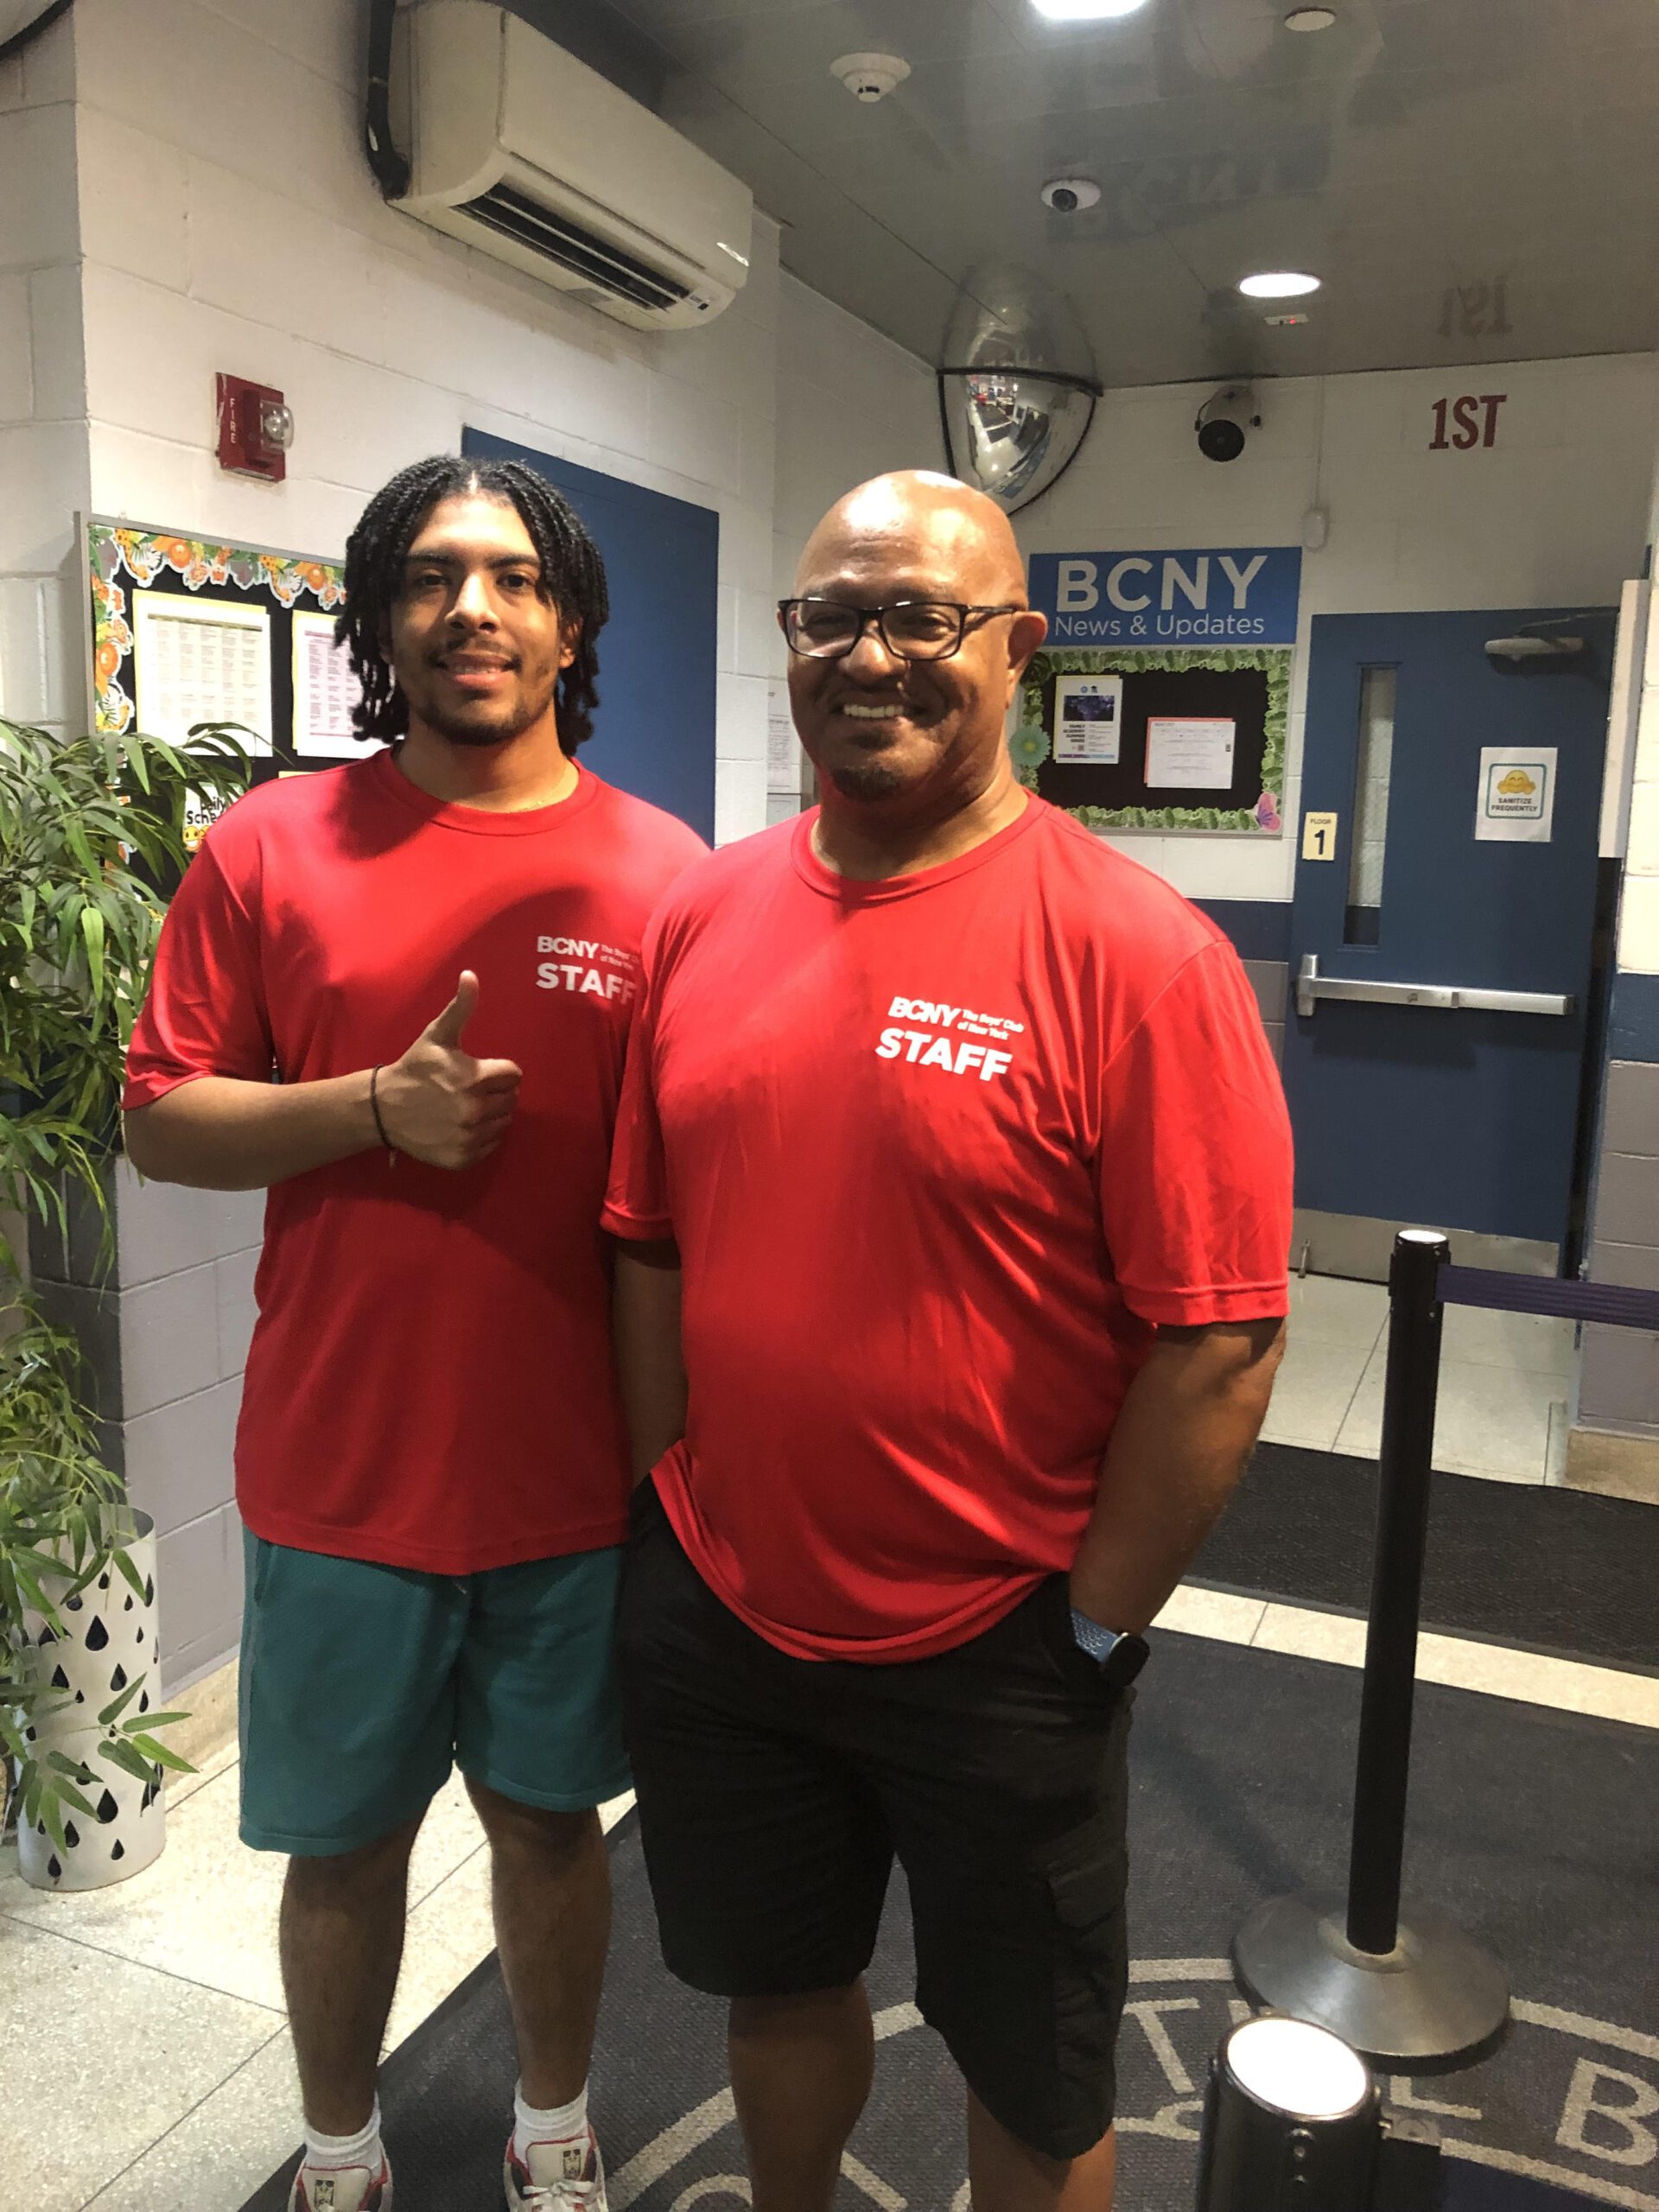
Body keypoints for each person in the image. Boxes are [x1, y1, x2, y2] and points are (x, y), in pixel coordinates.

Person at [603, 471, 1293, 2212]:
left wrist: (1084, 1624)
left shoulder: (1139, 953)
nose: (872, 654)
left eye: (925, 616)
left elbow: (1214, 1343)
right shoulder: (706, 910)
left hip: (999, 1643)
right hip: (726, 1603)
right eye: (832, 613)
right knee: (775, 1984)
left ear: (1018, 650)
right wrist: (664, 1502)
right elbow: (649, 1235)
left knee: (1031, 2062)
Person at [123, 454, 705, 2212]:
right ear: (383, 616)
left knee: (549, 1823)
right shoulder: (271, 844)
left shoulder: (664, 875)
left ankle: (551, 2121)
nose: (476, 606)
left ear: (569, 619)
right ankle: (338, 2143)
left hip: (570, 1480)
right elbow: (159, 1117)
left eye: (515, 577)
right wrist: (369, 1106)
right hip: (338, 1470)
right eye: (434, 575)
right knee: (343, 1842)